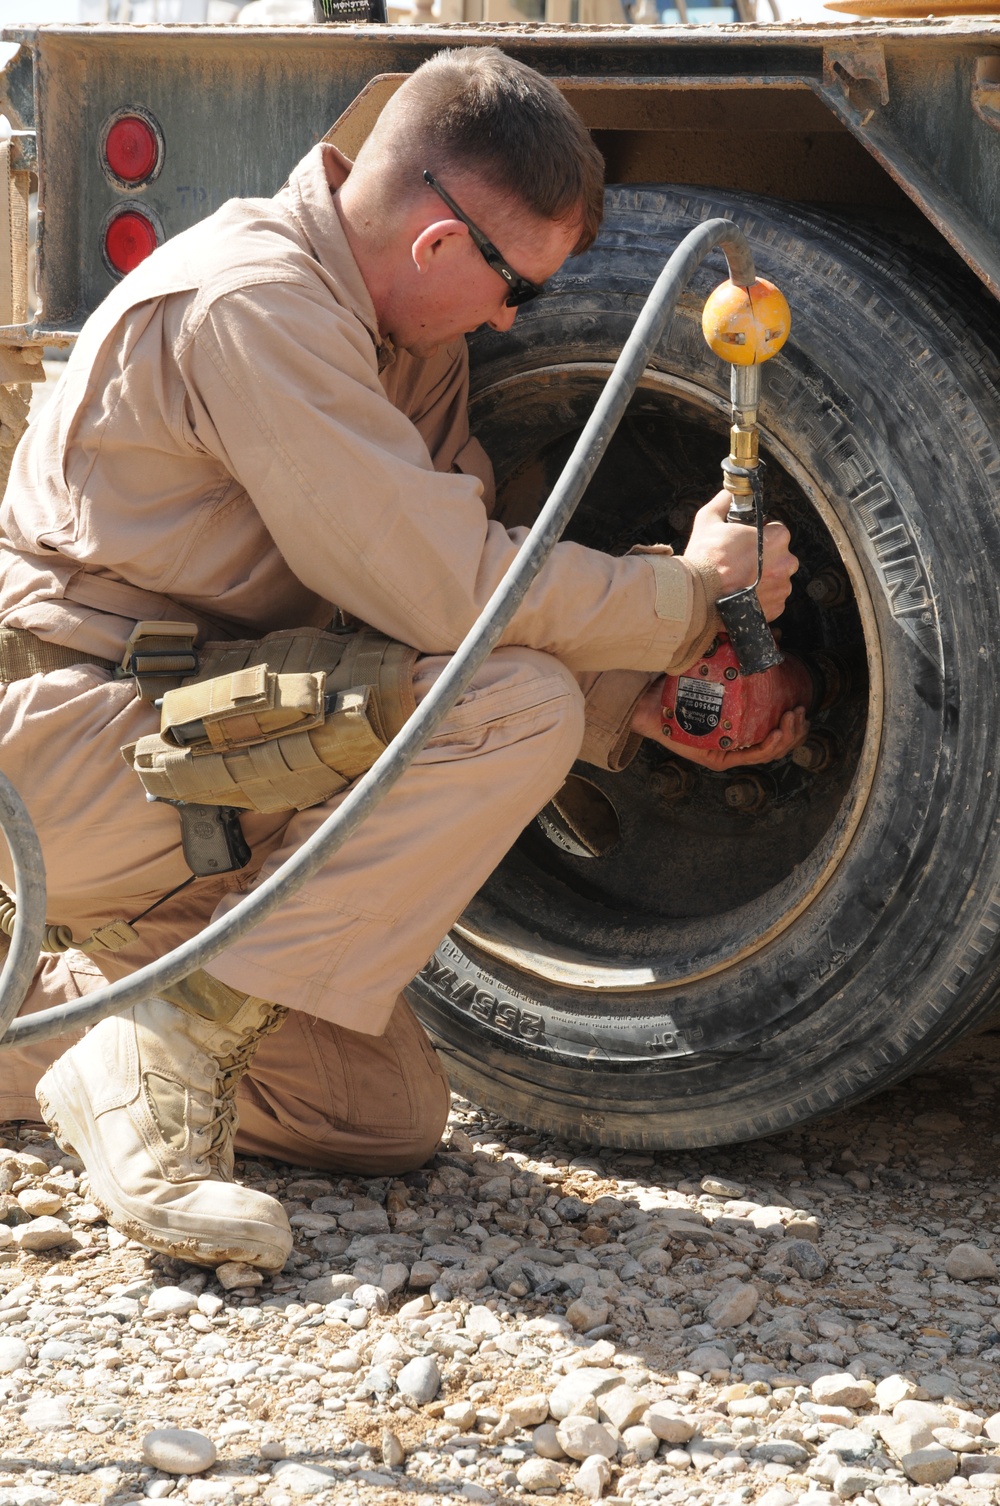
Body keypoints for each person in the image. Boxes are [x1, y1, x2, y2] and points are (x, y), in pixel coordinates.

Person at [0, 47, 801, 1272]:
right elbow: (452, 597)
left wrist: (637, 694)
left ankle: (88, 1035)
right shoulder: (252, 303)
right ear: (439, 248)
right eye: (515, 293)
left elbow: (434, 606)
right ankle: (161, 1054)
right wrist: (681, 602)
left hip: (212, 746)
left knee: (375, 1117)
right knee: (511, 706)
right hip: (77, 751)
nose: (504, 323)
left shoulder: (400, 339)